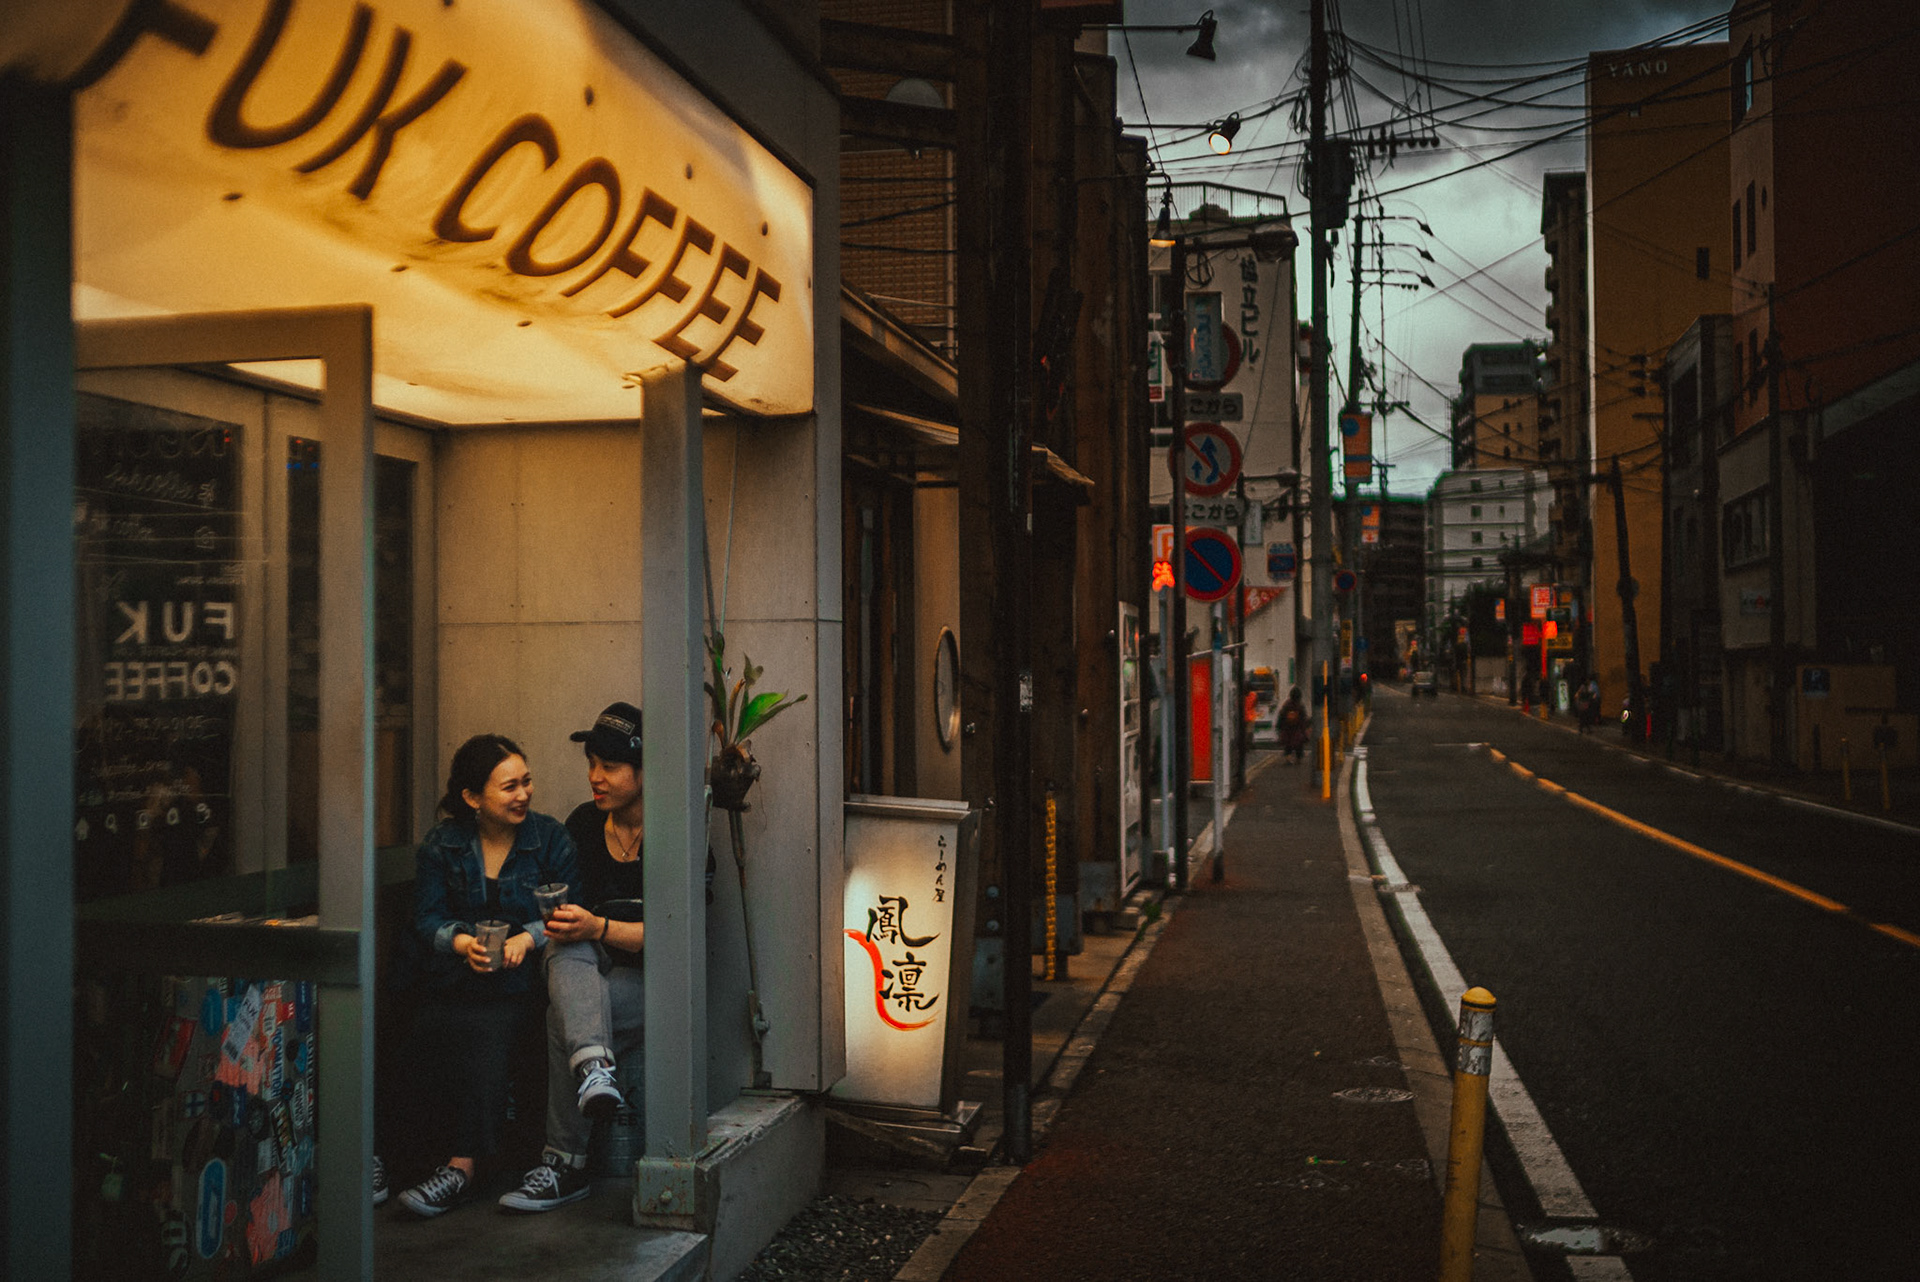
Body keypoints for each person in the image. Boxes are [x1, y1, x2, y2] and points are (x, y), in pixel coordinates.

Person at [392, 734, 578, 1217]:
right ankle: (386, 1160)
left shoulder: (550, 839)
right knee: (410, 1022)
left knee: (488, 1025)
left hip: (525, 984)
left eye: (527, 781)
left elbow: (570, 911)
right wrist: (462, 943)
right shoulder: (444, 843)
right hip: (457, 977)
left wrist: (528, 938)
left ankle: (461, 1169)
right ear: (473, 798)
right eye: (509, 786)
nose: (523, 794)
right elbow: (426, 918)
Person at [498, 702, 649, 1212]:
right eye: (591, 764)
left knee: (564, 1018)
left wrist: (600, 926)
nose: (595, 777)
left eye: (608, 766)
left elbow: (676, 937)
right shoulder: (584, 824)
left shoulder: (676, 831)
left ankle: (564, 1164)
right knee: (566, 945)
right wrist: (570, 925)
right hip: (584, 968)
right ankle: (593, 1069)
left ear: (644, 770)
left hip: (653, 983)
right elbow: (569, 917)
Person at [1278, 686, 1309, 765]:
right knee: (1299, 744)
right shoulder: (1300, 705)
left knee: (1288, 744)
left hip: (1287, 728)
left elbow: (1281, 715)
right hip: (1297, 728)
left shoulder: (1287, 704)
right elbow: (1303, 718)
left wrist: (1280, 727)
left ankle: (1288, 758)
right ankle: (1298, 758)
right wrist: (1304, 729)